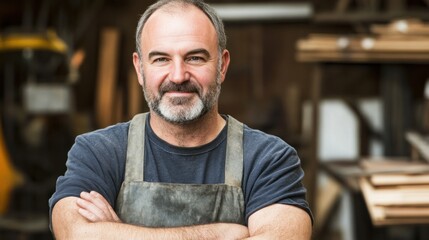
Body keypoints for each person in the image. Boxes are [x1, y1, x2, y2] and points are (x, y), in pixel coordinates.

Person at [49, 0, 313, 239]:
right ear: (139, 69)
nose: (177, 75)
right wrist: (220, 234)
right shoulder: (99, 152)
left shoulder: (269, 158)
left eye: (195, 58)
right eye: (161, 59)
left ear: (222, 66)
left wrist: (118, 231)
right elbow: (74, 233)